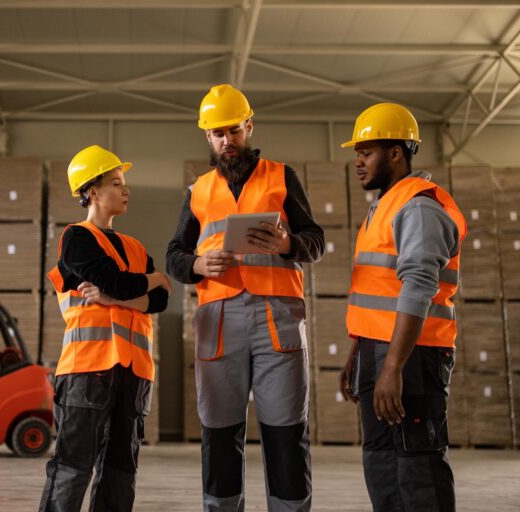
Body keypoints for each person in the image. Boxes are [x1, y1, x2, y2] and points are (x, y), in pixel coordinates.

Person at [166, 83, 324, 512]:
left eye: (233, 131)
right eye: (217, 133)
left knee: (286, 431)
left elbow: (316, 241)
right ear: (207, 137)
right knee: (218, 431)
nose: (226, 141)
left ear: (249, 127)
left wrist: (287, 243)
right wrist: (197, 266)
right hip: (219, 325)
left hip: (278, 322)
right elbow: (173, 256)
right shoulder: (197, 190)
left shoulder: (280, 176)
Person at [338, 103, 467, 512]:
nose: (358, 162)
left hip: (412, 356)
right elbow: (376, 293)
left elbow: (418, 288)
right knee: (382, 462)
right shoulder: (386, 206)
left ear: (397, 153)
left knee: (417, 464)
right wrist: (358, 356)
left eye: (368, 152)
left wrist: (392, 367)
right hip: (380, 352)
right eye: (357, 153)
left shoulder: (418, 207)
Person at [39, 144, 171, 512]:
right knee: (72, 466)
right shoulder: (77, 239)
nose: (126, 190)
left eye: (125, 183)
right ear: (93, 192)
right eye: (117, 183)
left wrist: (116, 298)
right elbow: (117, 281)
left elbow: (160, 301)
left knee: (120, 470)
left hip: (134, 373)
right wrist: (154, 279)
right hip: (87, 371)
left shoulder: (135, 247)